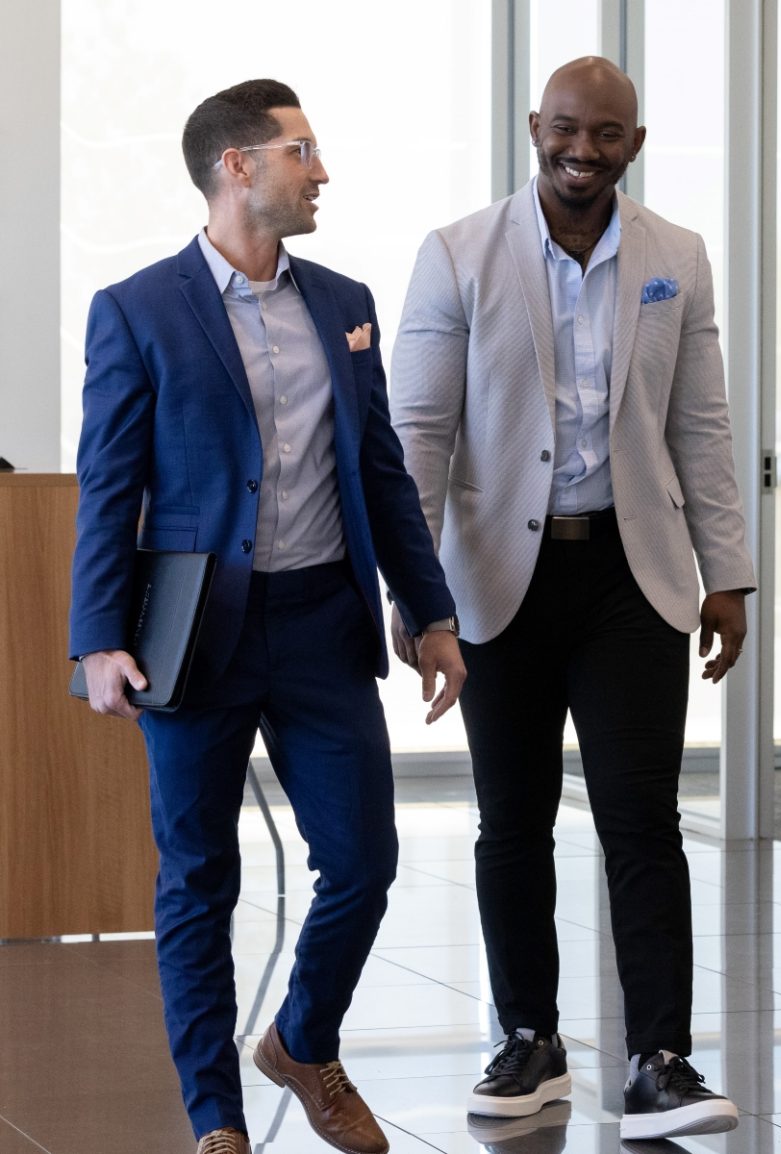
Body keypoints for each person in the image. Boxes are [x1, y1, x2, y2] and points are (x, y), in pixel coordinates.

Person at [69, 79, 466, 1154]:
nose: (321, 170)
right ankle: (216, 1116)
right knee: (198, 875)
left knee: (365, 859)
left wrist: (425, 606)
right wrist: (98, 637)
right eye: (301, 150)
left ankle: (300, 1035)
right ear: (235, 165)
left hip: (320, 622)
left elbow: (379, 468)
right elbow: (108, 484)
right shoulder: (138, 309)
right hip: (190, 634)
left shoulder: (342, 300)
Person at [389, 56, 755, 1143]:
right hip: (498, 574)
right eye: (563, 129)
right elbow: (417, 435)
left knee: (643, 818)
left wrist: (726, 569)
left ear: (632, 144)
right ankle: (528, 1037)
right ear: (533, 128)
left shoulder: (674, 257)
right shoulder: (457, 253)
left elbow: (701, 425)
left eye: (603, 134)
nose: (580, 151)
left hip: (631, 576)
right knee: (513, 819)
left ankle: (660, 1056)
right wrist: (417, 596)